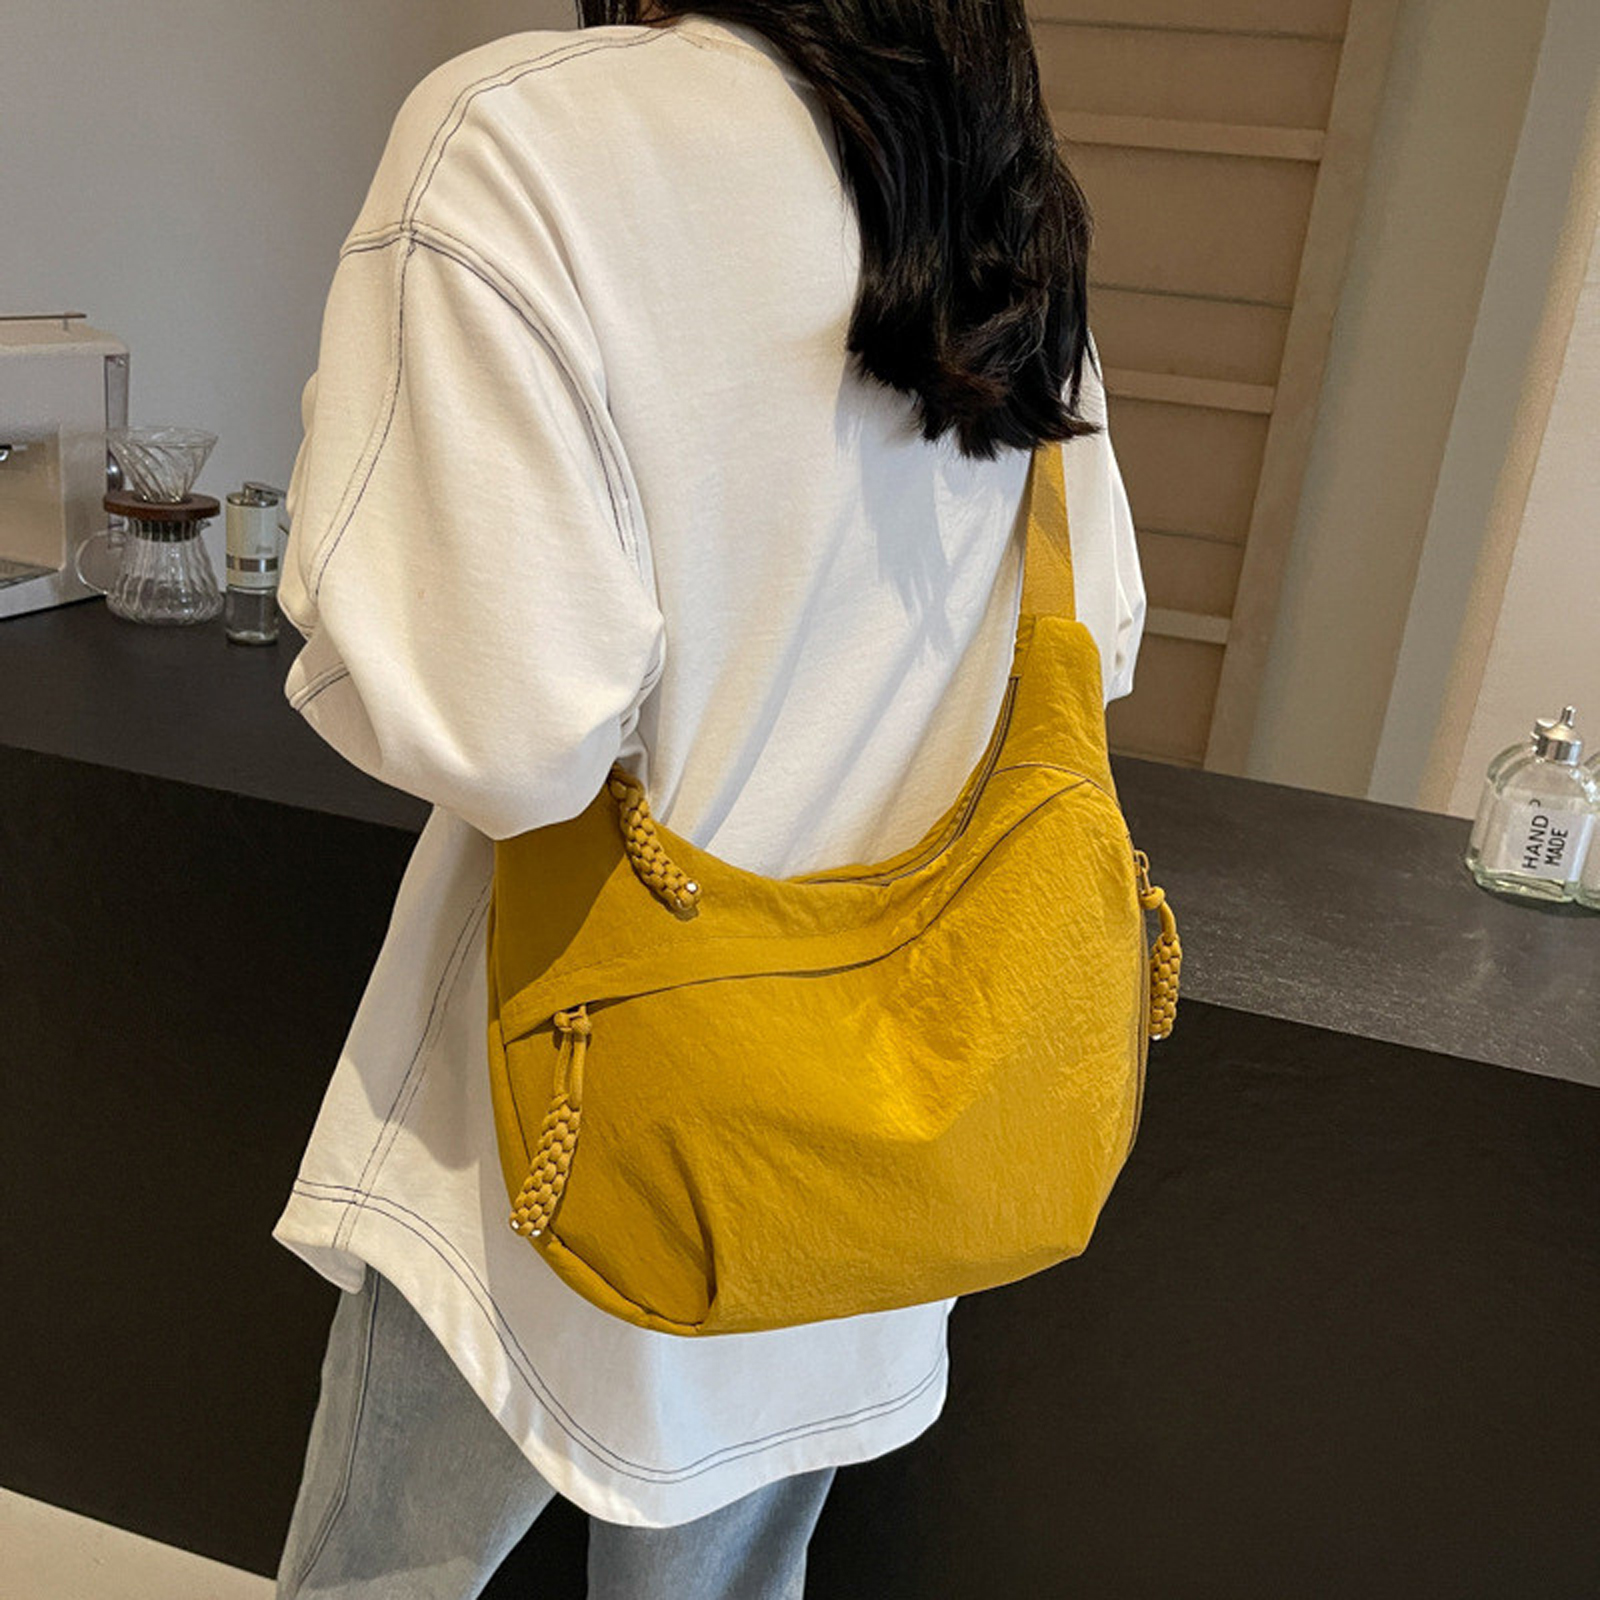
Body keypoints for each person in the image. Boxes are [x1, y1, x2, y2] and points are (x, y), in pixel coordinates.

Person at [271, 1, 1147, 1595]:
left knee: (385, 1572)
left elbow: (503, 730)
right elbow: (1102, 630)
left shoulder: (521, 134)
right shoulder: (988, 181)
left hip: (561, 1117)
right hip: (877, 1146)